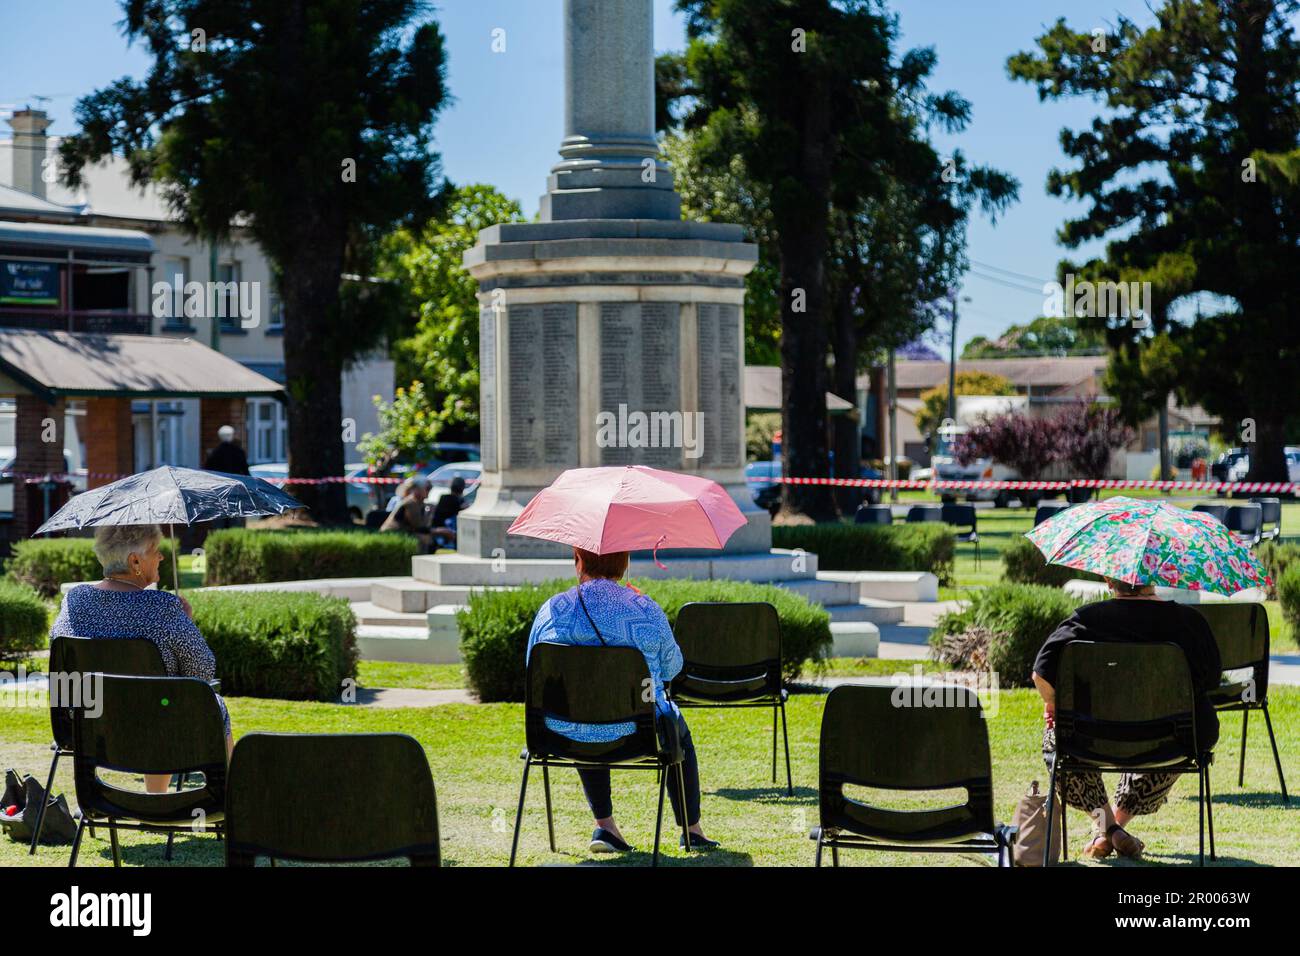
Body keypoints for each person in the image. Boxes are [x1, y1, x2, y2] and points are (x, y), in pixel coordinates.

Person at [525, 547, 717, 854]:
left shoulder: (550, 610)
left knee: (585, 712)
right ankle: (692, 830)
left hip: (560, 734)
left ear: (578, 562)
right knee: (674, 724)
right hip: (636, 733)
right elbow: (673, 667)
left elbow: (531, 671)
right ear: (624, 563)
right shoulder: (644, 609)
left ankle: (605, 826)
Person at [1032, 576, 1222, 860]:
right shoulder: (1190, 622)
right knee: (1195, 732)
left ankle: (1107, 828)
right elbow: (1212, 680)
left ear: (1109, 580)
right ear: (1156, 576)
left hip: (1092, 739)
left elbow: (1040, 675)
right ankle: (1115, 828)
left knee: (1056, 742)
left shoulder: (1084, 620)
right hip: (1169, 742)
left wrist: (1054, 703)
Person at [49, 524, 232, 792]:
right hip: (156, 728)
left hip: (83, 729)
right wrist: (185, 621)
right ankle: (223, 799)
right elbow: (201, 672)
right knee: (210, 703)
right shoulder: (163, 607)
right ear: (135, 561)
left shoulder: (74, 600)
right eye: (155, 551)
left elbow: (59, 657)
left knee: (159, 704)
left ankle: (138, 799)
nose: (161, 557)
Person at [379, 476, 434, 552]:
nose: (430, 490)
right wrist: (438, 530)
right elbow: (418, 526)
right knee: (425, 538)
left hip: (402, 532)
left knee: (426, 538)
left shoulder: (418, 503)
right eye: (428, 488)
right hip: (393, 533)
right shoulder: (411, 503)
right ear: (417, 489)